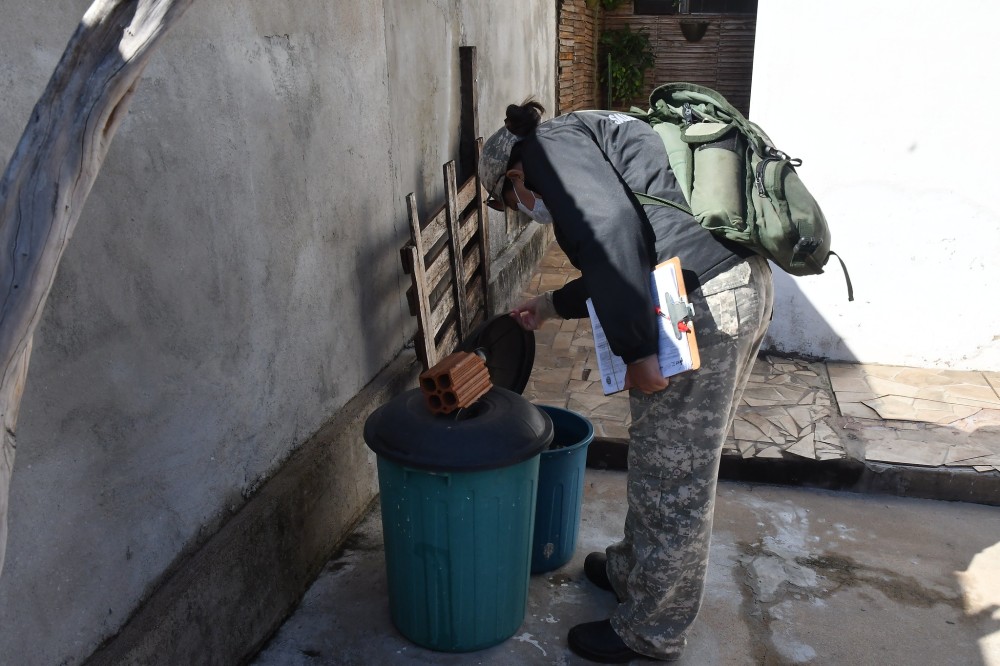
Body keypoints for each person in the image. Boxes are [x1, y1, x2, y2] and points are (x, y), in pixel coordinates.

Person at [479, 100, 774, 663]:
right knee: (662, 458)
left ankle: (652, 629)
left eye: (506, 201)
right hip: (725, 286)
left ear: (513, 175)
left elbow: (611, 232)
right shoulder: (587, 130)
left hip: (699, 305)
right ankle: (632, 570)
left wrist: (636, 349)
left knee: (676, 478)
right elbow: (633, 244)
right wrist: (548, 305)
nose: (517, 209)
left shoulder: (546, 154)